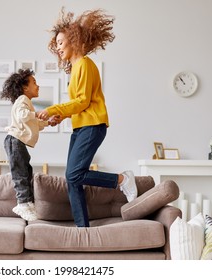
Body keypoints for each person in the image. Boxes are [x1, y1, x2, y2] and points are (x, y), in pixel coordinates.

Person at [37, 8, 137, 227]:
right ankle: (83, 230)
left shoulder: (84, 64)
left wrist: (54, 110)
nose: (58, 47)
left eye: (61, 42)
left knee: (74, 174)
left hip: (93, 125)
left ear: (74, 40)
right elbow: (80, 104)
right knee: (72, 178)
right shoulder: (76, 69)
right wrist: (61, 117)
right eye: (56, 44)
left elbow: (82, 102)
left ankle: (122, 179)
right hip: (82, 126)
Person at [1, 68, 58, 221]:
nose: (38, 86)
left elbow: (33, 122)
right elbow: (23, 116)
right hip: (14, 141)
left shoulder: (27, 103)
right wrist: (38, 114)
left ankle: (29, 203)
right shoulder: (22, 100)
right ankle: (23, 203)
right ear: (25, 88)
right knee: (20, 173)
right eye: (34, 83)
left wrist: (47, 122)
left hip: (18, 142)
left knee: (27, 171)